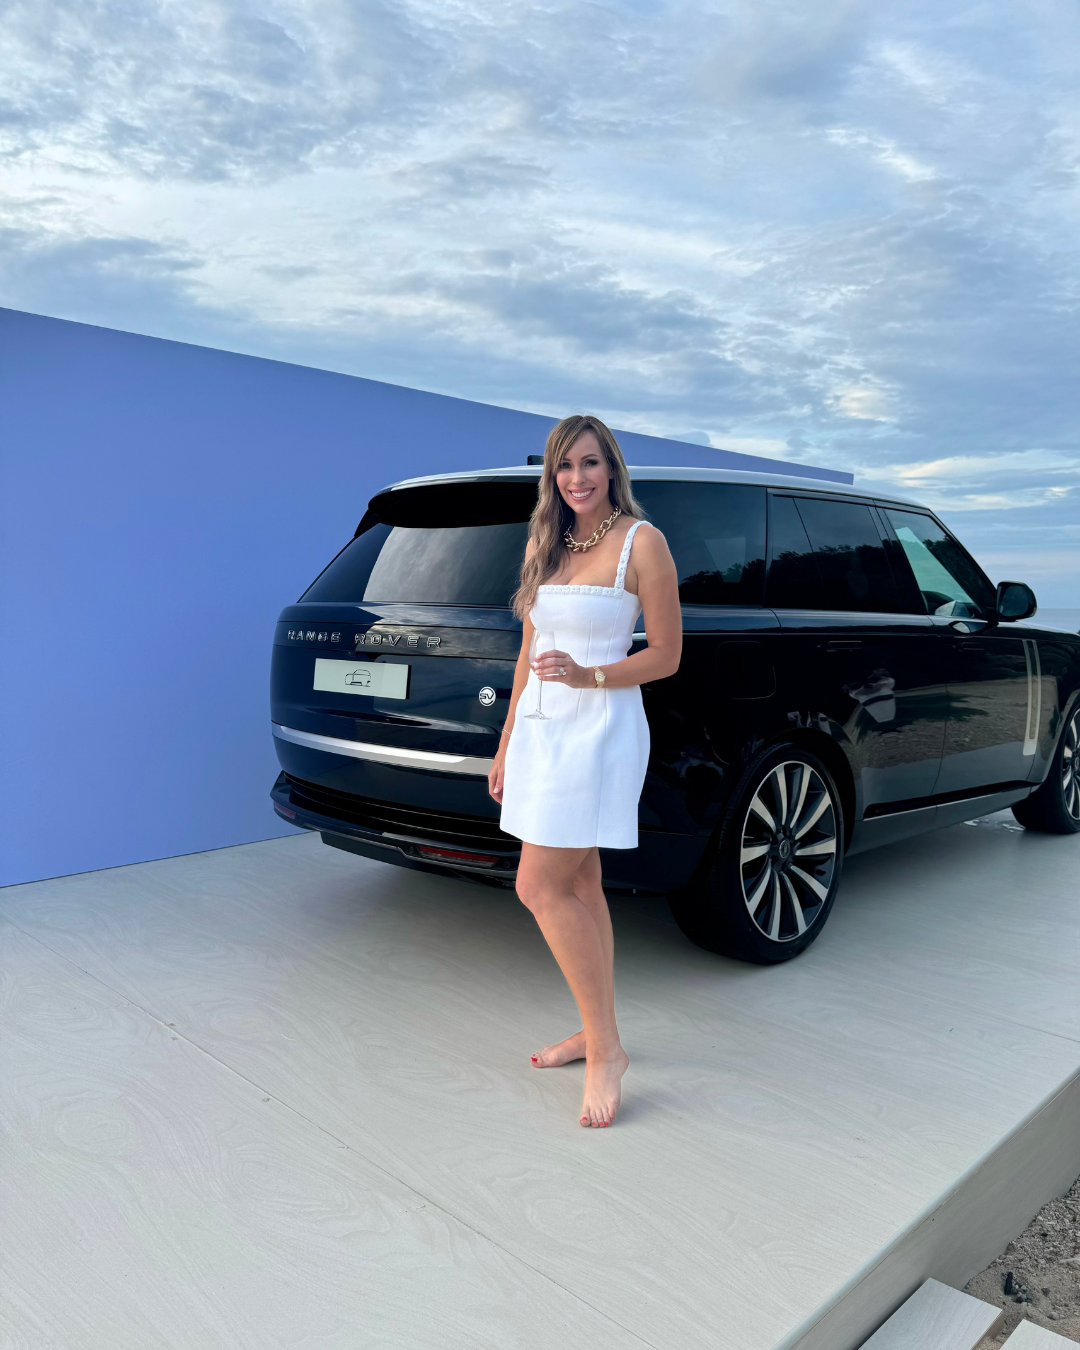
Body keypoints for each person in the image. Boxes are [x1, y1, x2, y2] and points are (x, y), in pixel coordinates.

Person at [488, 415, 682, 1128]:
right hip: (542, 733)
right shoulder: (547, 542)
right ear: (552, 475)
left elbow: (666, 655)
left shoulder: (641, 541)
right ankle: (597, 1031)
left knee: (537, 885)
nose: (578, 478)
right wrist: (507, 741)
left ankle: (605, 1052)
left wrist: (588, 675)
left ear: (612, 468)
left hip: (599, 732)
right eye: (565, 466)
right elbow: (527, 654)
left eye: (591, 463)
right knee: (579, 883)